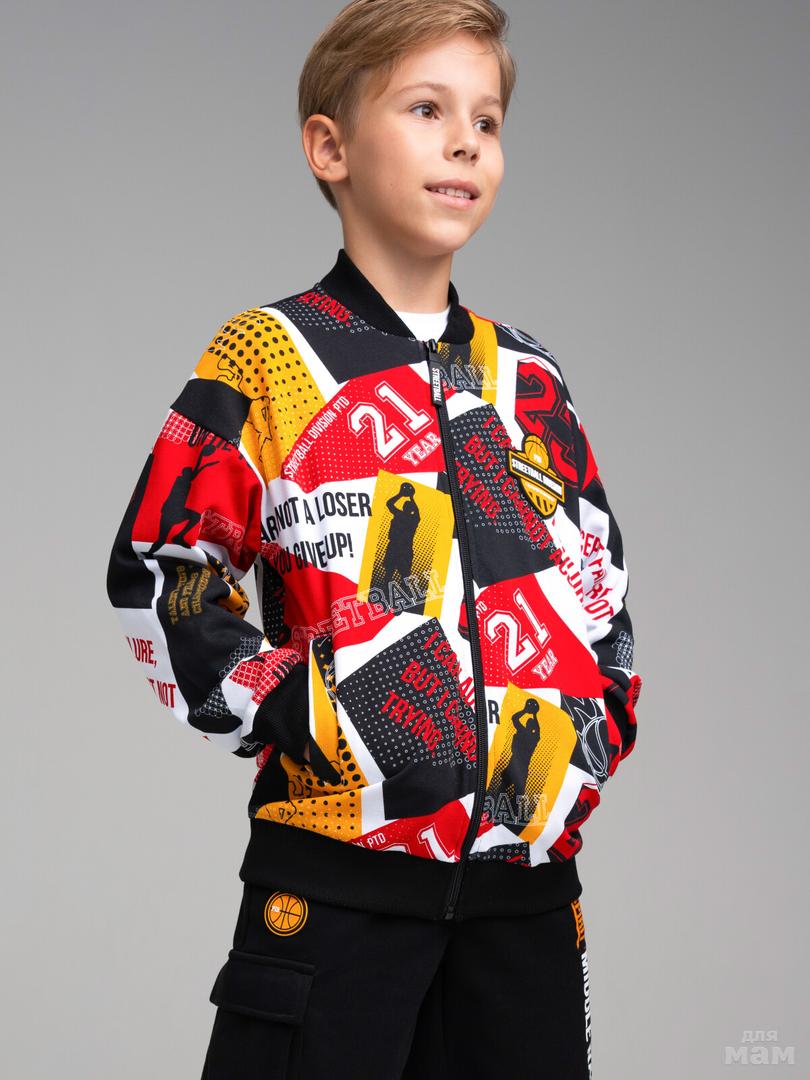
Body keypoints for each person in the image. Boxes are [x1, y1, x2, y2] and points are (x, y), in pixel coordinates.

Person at [106, 2, 643, 1076]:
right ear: (331, 147)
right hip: (335, 901)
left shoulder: (528, 379)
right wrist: (304, 711)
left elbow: (599, 586)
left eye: (486, 121)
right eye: (427, 109)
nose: (466, 144)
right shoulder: (269, 356)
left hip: (526, 912)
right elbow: (159, 572)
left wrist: (591, 730)